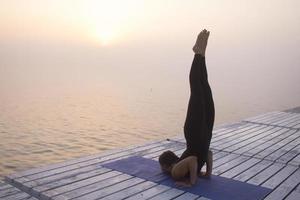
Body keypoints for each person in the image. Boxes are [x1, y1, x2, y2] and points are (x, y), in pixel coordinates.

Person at [158, 29, 215, 187]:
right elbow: (207, 154)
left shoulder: (176, 172)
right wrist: (207, 174)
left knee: (197, 90)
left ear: (165, 166)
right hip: (203, 135)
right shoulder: (179, 164)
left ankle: (197, 53)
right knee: (204, 89)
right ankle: (202, 55)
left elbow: (193, 160)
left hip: (196, 132)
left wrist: (191, 183)